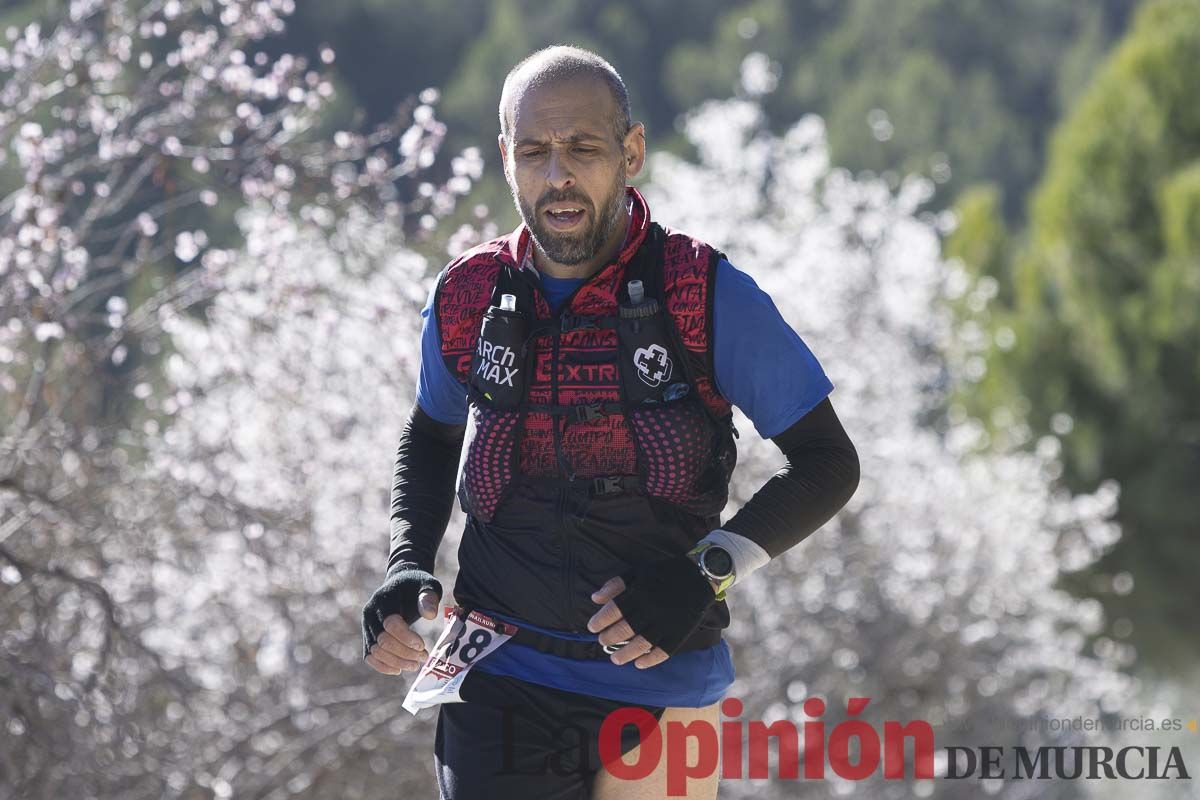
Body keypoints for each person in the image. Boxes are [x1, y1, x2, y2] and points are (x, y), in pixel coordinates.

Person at [361, 45, 860, 799]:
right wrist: (407, 560)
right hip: (497, 677)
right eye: (534, 151)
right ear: (506, 158)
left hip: (664, 683)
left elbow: (827, 460)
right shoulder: (465, 294)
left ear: (630, 152)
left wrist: (708, 571)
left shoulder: (705, 291)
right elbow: (432, 435)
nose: (557, 174)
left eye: (583, 149)